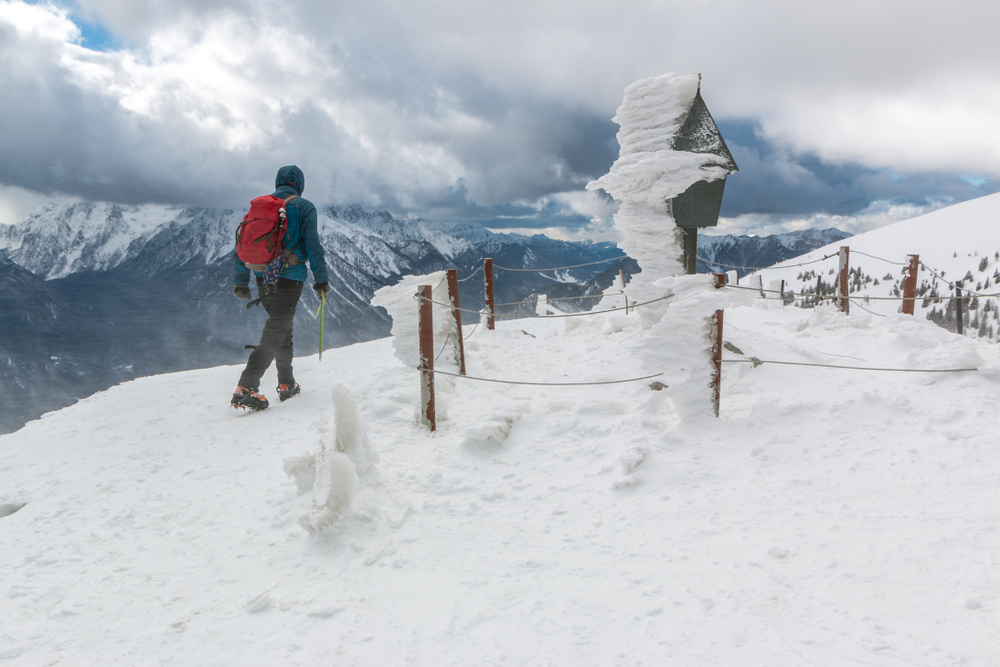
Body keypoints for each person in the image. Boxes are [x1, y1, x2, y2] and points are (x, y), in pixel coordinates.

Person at [231, 165, 329, 410]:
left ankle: (286, 383)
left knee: (282, 327)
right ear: (299, 184)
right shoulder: (304, 207)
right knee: (276, 331)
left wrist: (241, 281)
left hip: (262, 277)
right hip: (290, 277)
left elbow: (242, 244)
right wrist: (321, 279)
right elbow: (313, 245)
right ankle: (247, 386)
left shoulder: (261, 206)